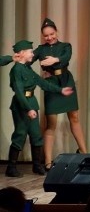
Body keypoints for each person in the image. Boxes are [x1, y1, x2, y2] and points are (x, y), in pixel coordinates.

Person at [6, 40, 74, 177]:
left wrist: (60, 90)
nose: (33, 55)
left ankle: (36, 165)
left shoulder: (27, 68)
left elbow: (42, 82)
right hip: (21, 105)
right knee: (20, 134)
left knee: (36, 135)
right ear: (22, 53)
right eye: (30, 52)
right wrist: (28, 109)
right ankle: (11, 167)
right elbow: (19, 92)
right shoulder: (16, 70)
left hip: (31, 102)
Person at [33, 18, 87, 169]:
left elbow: (66, 57)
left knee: (74, 117)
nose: (49, 37)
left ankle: (84, 152)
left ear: (57, 32)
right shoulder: (41, 50)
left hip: (66, 81)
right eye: (46, 35)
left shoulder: (65, 46)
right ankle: (48, 161)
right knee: (51, 123)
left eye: (52, 34)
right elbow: (27, 61)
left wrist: (54, 60)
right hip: (51, 84)